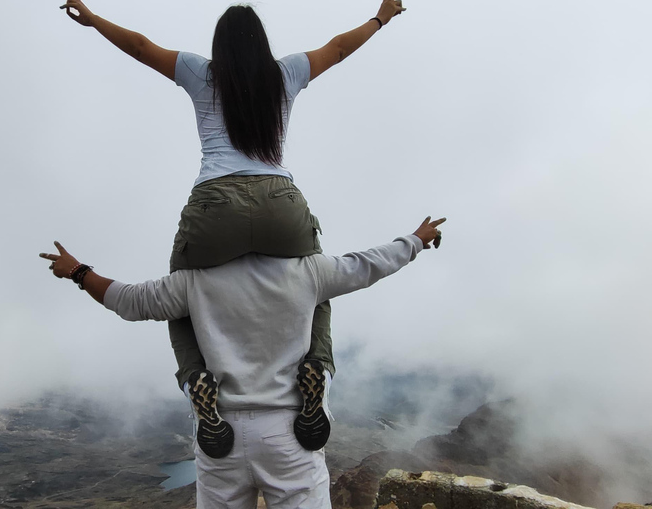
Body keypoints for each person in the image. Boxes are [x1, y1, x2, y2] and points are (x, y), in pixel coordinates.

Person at [58, 0, 407, 457]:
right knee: (318, 282)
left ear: (218, 45)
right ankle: (315, 369)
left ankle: (196, 380)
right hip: (281, 203)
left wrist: (93, 18)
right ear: (261, 43)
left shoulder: (202, 73)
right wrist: (380, 18)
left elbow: (141, 47)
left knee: (180, 294)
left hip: (213, 207)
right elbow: (339, 48)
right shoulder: (286, 73)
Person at [39, 216, 444, 509]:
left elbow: (127, 301)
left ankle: (194, 385)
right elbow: (370, 264)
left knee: (177, 313)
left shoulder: (193, 279)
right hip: (290, 431)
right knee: (321, 299)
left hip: (222, 434)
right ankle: (316, 374)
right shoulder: (308, 270)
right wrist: (416, 239)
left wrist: (77, 270)